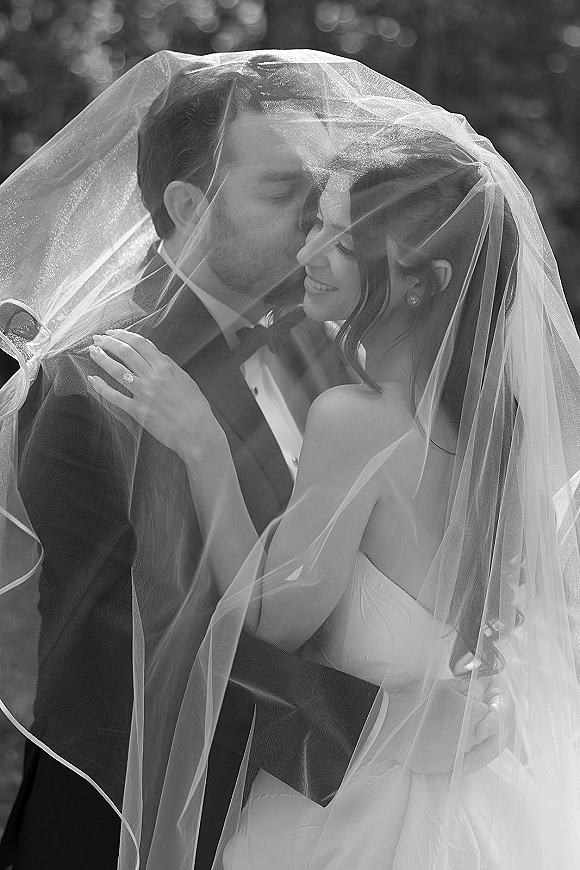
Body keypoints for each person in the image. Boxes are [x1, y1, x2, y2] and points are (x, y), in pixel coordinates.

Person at [89, 110, 580, 866]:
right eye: (318, 221)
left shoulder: (356, 421)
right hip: (463, 796)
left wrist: (203, 445)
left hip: (358, 805)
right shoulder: (498, 430)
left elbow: (273, 621)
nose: (309, 251)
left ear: (422, 279)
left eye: (342, 242)